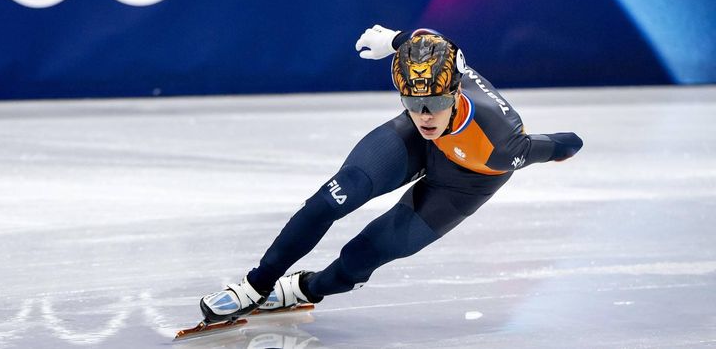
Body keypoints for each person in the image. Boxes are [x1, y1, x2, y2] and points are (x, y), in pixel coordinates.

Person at [199, 25, 583, 323]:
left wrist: (569, 145)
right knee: (332, 198)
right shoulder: (429, 71)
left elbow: (562, 144)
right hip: (415, 145)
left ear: (456, 93)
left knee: (362, 255)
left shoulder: (501, 145)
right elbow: (427, 39)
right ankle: (256, 285)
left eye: (434, 104)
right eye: (413, 104)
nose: (425, 115)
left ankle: (305, 288)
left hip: (465, 180)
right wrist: (397, 39)